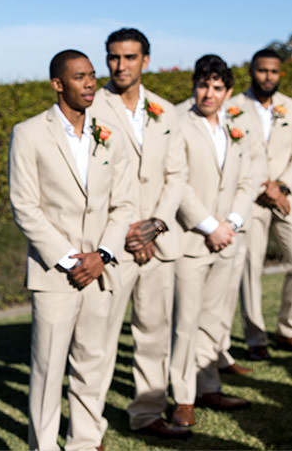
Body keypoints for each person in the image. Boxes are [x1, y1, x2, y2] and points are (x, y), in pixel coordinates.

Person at [9, 50, 137, 451]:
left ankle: (84, 442)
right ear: (57, 84)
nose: (89, 84)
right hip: (54, 276)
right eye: (79, 77)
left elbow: (126, 205)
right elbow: (24, 207)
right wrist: (69, 259)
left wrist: (102, 255)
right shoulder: (29, 133)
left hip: (101, 270)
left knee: (93, 365)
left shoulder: (110, 134)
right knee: (47, 372)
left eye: (92, 76)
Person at [93, 29, 191, 440]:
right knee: (100, 341)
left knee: (153, 333)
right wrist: (124, 233)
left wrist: (155, 225)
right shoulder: (91, 105)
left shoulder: (166, 111)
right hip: (112, 242)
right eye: (114, 57)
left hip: (157, 239)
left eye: (129, 57)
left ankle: (148, 413)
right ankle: (88, 431)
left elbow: (177, 175)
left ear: (145, 60)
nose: (120, 65)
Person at [169, 55, 259, 428]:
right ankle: (183, 398)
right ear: (194, 85)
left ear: (228, 91)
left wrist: (232, 222)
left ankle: (209, 387)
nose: (209, 93)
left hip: (229, 237)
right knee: (185, 323)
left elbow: (249, 177)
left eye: (217, 87)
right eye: (203, 85)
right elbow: (176, 180)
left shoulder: (236, 123)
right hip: (192, 239)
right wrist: (209, 226)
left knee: (214, 319)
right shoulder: (175, 121)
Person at [230, 49, 292, 359]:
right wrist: (259, 187)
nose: (268, 77)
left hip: (287, 198)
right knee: (250, 268)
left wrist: (280, 186)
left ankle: (289, 330)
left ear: (280, 74)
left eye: (274, 72)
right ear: (252, 71)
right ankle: (256, 340)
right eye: (262, 71)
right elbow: (230, 155)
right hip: (249, 200)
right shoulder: (233, 107)